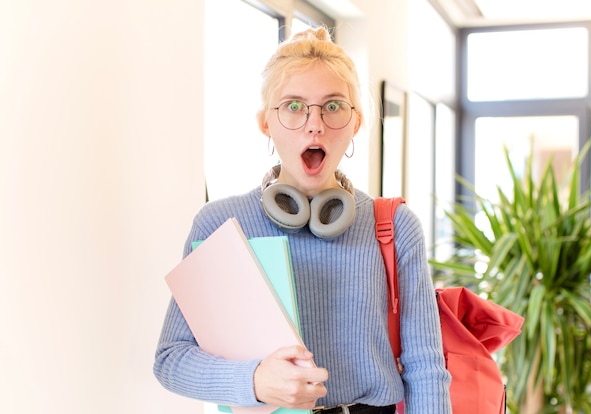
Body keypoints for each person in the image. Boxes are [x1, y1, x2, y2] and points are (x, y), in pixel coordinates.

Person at [153, 26, 452, 413]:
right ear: (266, 123)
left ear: (356, 122)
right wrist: (255, 380)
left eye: (333, 106)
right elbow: (171, 359)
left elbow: (426, 368)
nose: (315, 123)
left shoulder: (394, 225)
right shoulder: (219, 224)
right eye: (293, 106)